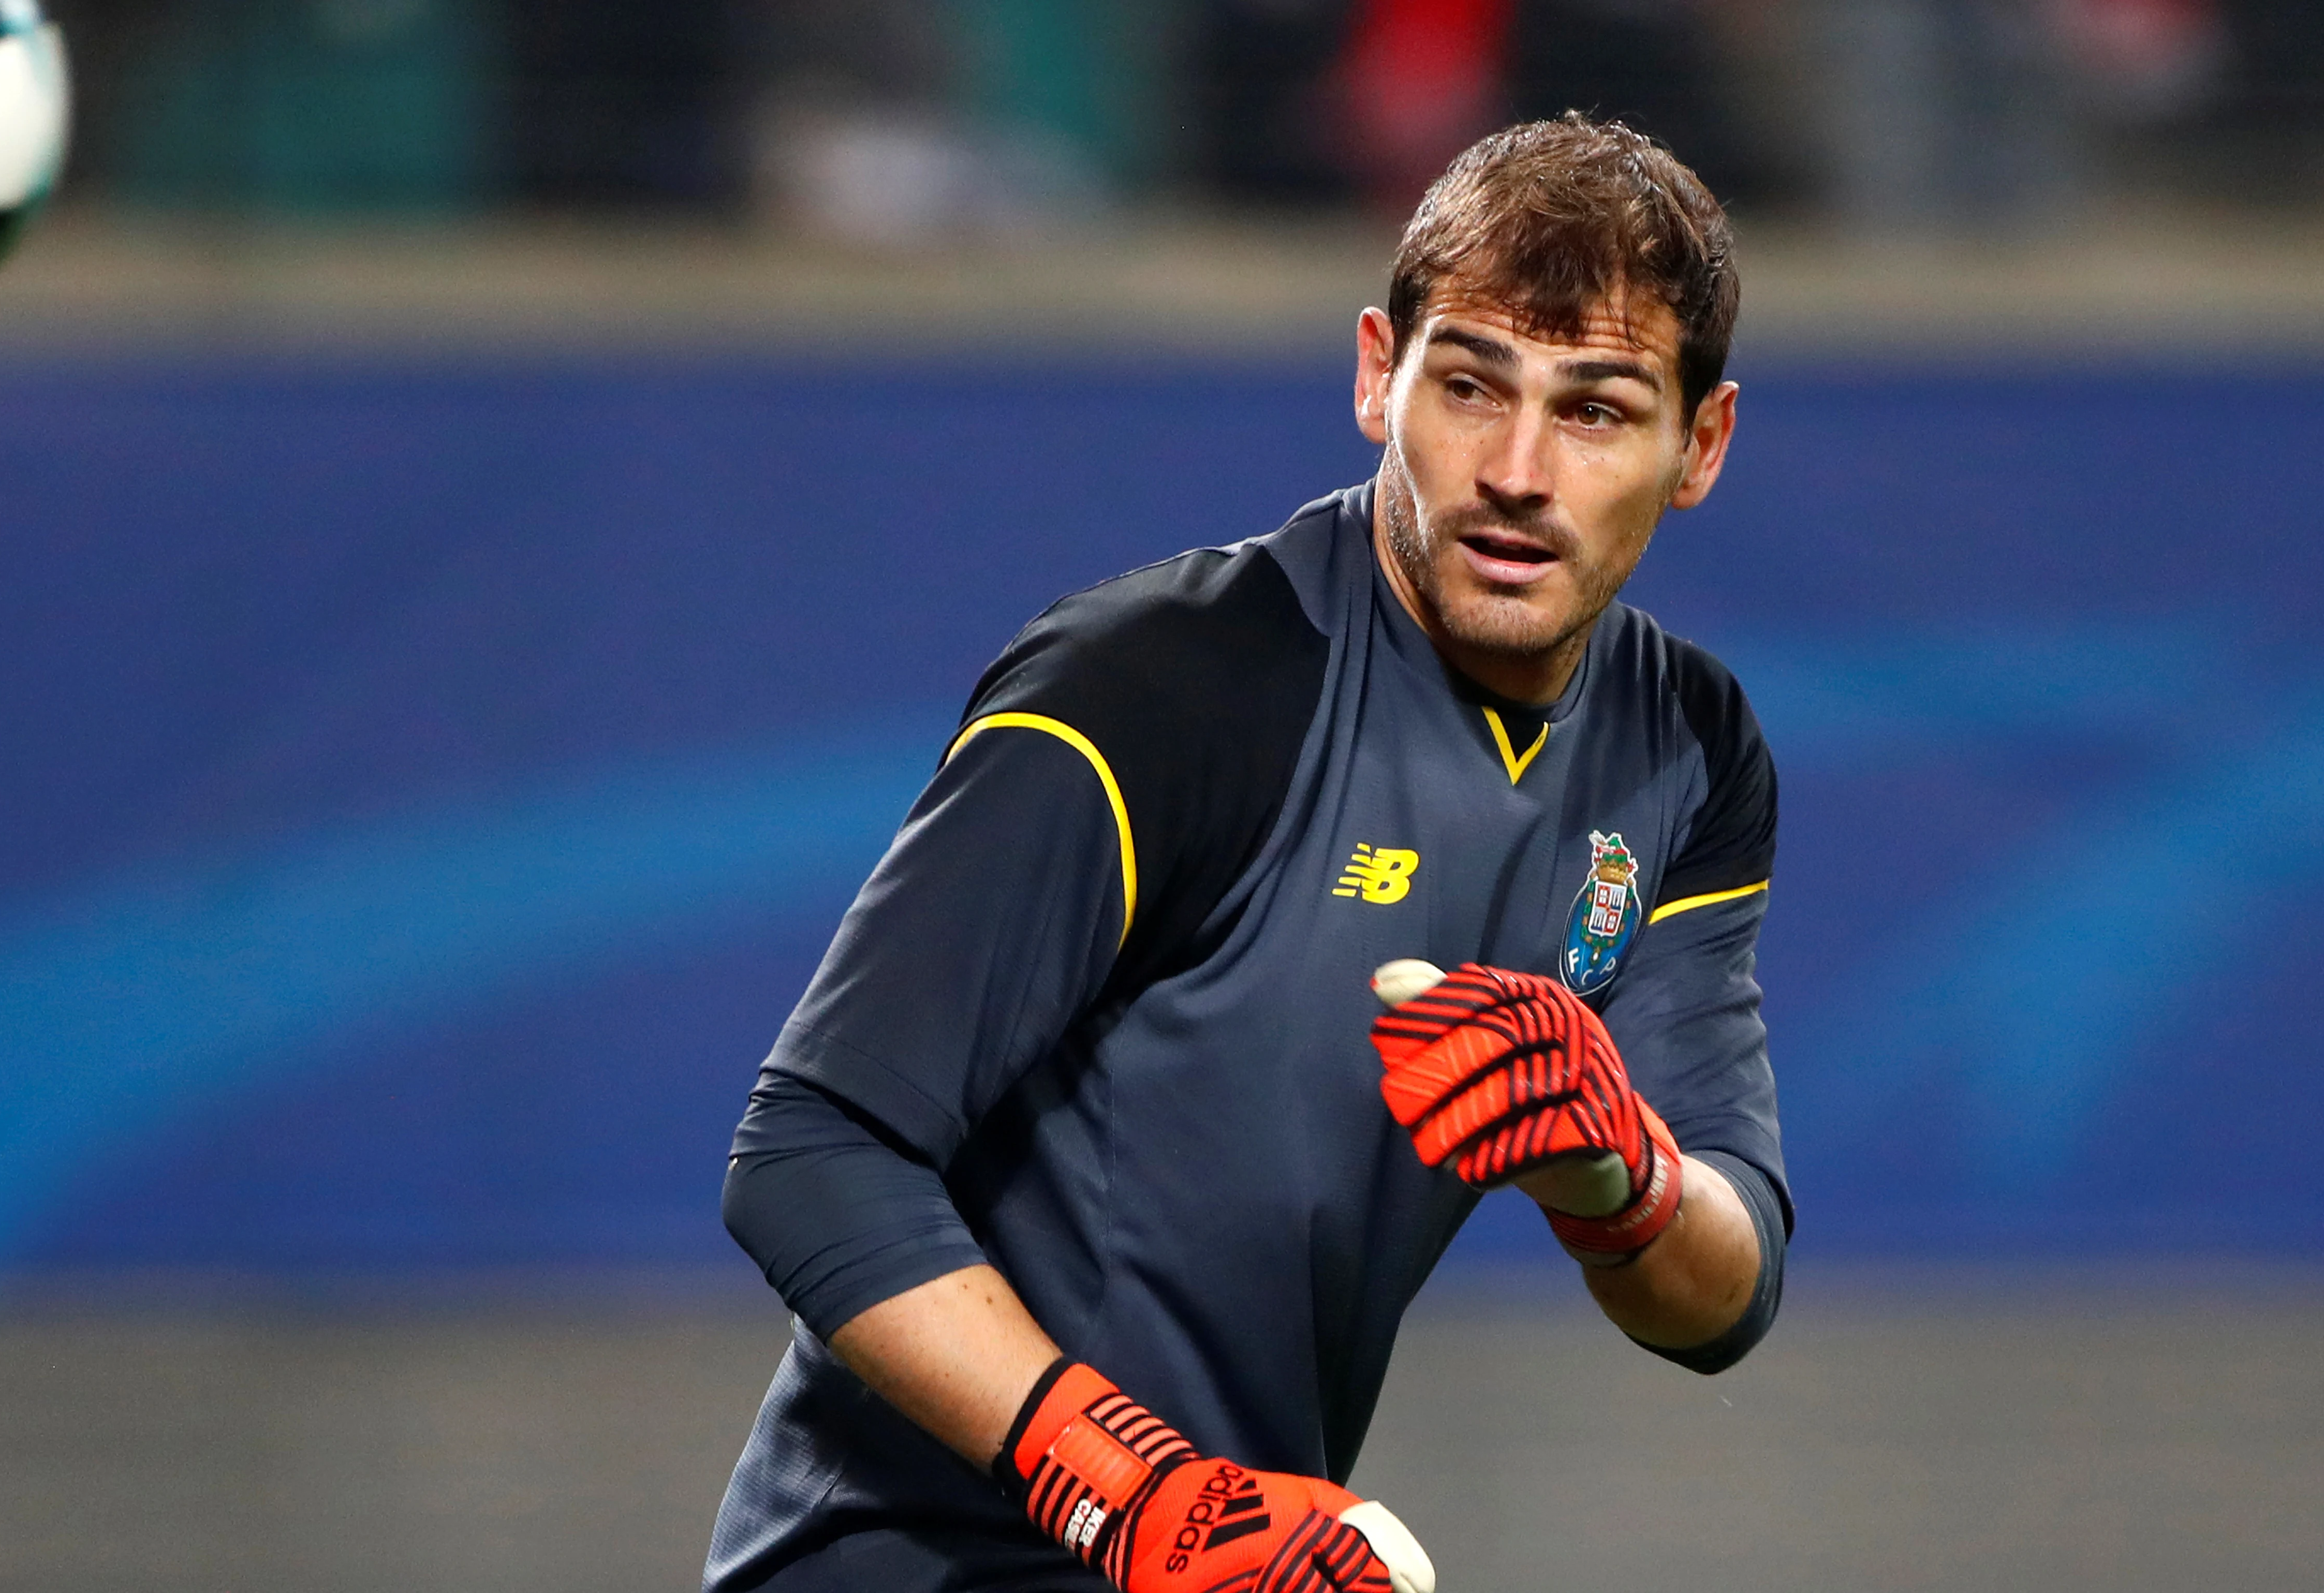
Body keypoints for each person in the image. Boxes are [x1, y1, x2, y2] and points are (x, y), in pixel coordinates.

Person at [705, 113, 1788, 1593]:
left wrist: (1624, 1172)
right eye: (1470, 386)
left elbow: (1722, 1292)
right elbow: (811, 1152)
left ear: (1700, 445)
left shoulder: (1688, 751)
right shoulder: (1163, 686)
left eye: (1595, 410)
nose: (1519, 469)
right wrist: (1133, 1494)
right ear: (1374, 377)